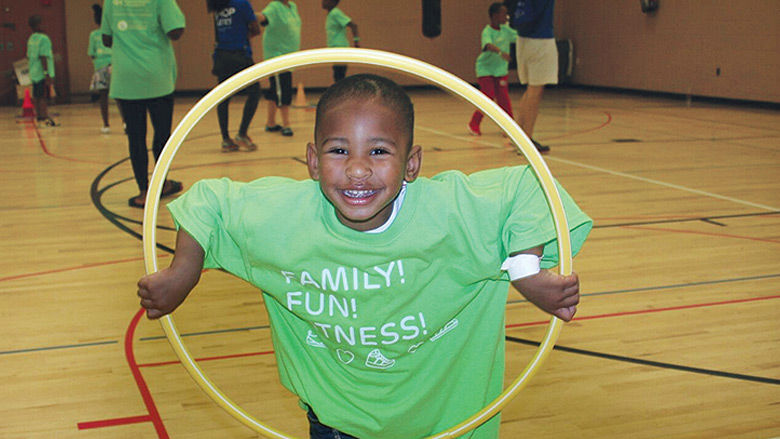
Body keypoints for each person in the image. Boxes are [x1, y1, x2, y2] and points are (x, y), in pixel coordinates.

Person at [137, 74, 592, 438]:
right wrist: (183, 272)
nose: (357, 169)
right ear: (313, 161)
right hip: (338, 425)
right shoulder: (285, 216)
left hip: (451, 424)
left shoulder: (449, 212)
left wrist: (524, 269)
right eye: (339, 151)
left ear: (411, 163)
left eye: (379, 151)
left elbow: (530, 185)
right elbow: (207, 202)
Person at [101, 0, 186, 208]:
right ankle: (161, 183)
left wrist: (129, 35)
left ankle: (143, 192)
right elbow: (176, 30)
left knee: (136, 136)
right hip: (156, 76)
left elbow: (106, 38)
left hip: (126, 77)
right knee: (162, 134)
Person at [208, 0, 262, 153]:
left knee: (223, 98)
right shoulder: (242, 3)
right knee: (254, 92)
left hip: (222, 56)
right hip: (240, 55)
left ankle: (226, 140)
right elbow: (255, 29)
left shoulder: (216, 5)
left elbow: (218, 34)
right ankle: (242, 133)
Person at [508, 0, 557, 153]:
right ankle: (526, 141)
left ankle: (519, 137)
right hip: (540, 40)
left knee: (530, 89)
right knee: (535, 91)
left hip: (523, 40)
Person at [468, 3, 516, 137]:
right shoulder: (487, 31)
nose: (506, 16)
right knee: (488, 97)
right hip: (485, 69)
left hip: (500, 70)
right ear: (495, 16)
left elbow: (519, 37)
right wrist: (501, 53)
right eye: (503, 13)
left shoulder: (506, 30)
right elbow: (488, 45)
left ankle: (510, 127)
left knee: (503, 98)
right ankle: (474, 123)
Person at [258, 0, 301, 137]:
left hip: (289, 56)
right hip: (277, 56)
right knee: (283, 90)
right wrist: (247, 14)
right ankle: (286, 124)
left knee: (274, 91)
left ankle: (270, 123)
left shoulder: (292, 6)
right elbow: (263, 17)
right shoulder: (274, 6)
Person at [26, 15, 57, 126]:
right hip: (42, 73)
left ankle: (39, 117)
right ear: (38, 24)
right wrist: (47, 73)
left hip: (34, 72)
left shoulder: (31, 39)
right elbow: (43, 57)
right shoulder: (44, 39)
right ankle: (44, 118)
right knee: (43, 96)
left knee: (37, 96)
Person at [88, 4, 114, 134]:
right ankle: (125, 123)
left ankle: (106, 124)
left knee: (103, 97)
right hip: (113, 65)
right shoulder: (113, 32)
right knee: (119, 96)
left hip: (100, 67)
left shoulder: (93, 35)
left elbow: (92, 53)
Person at [322, 0, 359, 83]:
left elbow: (353, 25)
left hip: (340, 48)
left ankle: (340, 93)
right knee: (338, 74)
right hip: (335, 48)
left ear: (333, 2)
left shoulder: (335, 13)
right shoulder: (331, 14)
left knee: (339, 75)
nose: (323, 2)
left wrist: (356, 42)